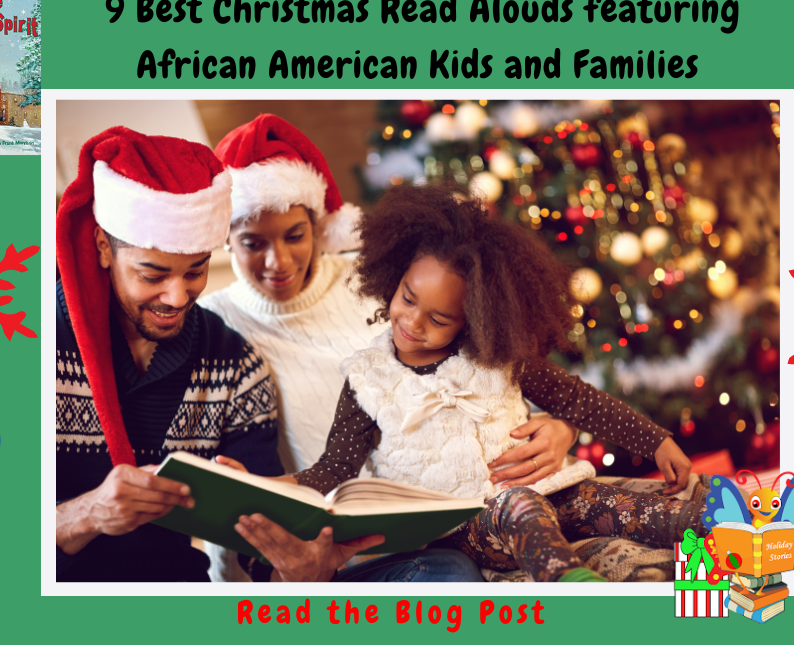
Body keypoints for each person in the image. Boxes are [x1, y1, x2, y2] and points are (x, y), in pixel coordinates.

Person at [54, 126, 477, 583]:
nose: (177, 296)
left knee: (447, 571)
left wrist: (292, 571)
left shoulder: (231, 360)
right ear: (103, 247)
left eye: (195, 271)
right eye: (152, 274)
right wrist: (82, 516)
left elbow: (261, 532)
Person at [225, 186, 700, 582]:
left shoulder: (496, 357)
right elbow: (332, 470)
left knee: (621, 504)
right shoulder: (367, 379)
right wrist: (261, 485)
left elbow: (577, 400)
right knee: (517, 505)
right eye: (407, 298)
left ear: (473, 320)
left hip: (549, 491)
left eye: (438, 318)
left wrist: (656, 440)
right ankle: (571, 586)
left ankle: (732, 528)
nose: (411, 323)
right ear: (394, 278)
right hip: (464, 528)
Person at [199, 114, 579, 581]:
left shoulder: (383, 279)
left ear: (317, 224)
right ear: (225, 238)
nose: (278, 261)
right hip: (349, 548)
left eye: (295, 235)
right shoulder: (214, 325)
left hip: (470, 502)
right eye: (252, 242)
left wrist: (558, 426)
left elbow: (481, 365)